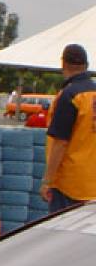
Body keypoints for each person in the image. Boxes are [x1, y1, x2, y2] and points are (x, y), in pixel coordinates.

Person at [41, 43, 96, 213]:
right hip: (92, 184)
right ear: (86, 66)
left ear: (63, 64)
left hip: (69, 185)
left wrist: (47, 181)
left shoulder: (69, 95)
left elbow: (60, 143)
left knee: (62, 236)